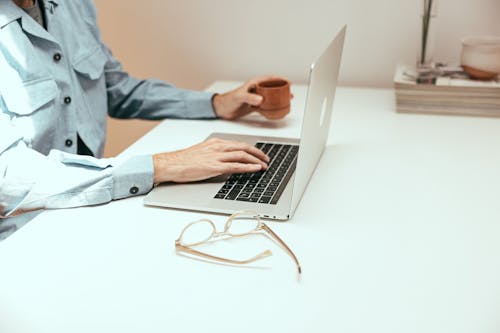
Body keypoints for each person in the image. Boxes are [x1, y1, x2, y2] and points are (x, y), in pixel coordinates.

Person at [0, 0, 289, 237]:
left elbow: (116, 89)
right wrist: (161, 166)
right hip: (24, 233)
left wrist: (216, 104)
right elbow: (9, 178)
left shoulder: (74, 5)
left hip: (94, 207)